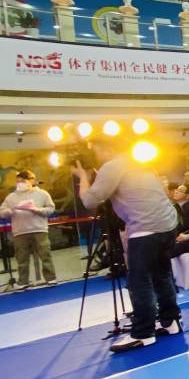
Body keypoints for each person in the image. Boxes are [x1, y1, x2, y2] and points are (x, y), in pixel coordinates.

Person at [72, 134, 182, 352]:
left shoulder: (113, 166)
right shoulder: (140, 163)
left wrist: (82, 177)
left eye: (96, 150)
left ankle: (143, 333)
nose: (95, 155)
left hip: (145, 229)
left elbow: (90, 200)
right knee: (162, 275)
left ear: (107, 149)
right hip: (168, 225)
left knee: (139, 281)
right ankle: (170, 322)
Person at [0, 170, 57, 290]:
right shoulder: (11, 197)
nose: (19, 183)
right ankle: (23, 281)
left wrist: (37, 210)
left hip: (39, 229)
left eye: (22, 181)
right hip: (20, 231)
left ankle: (51, 278)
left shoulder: (42, 194)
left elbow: (51, 209)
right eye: (17, 181)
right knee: (21, 258)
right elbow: (2, 212)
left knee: (45, 255)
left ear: (32, 180)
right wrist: (10, 211)